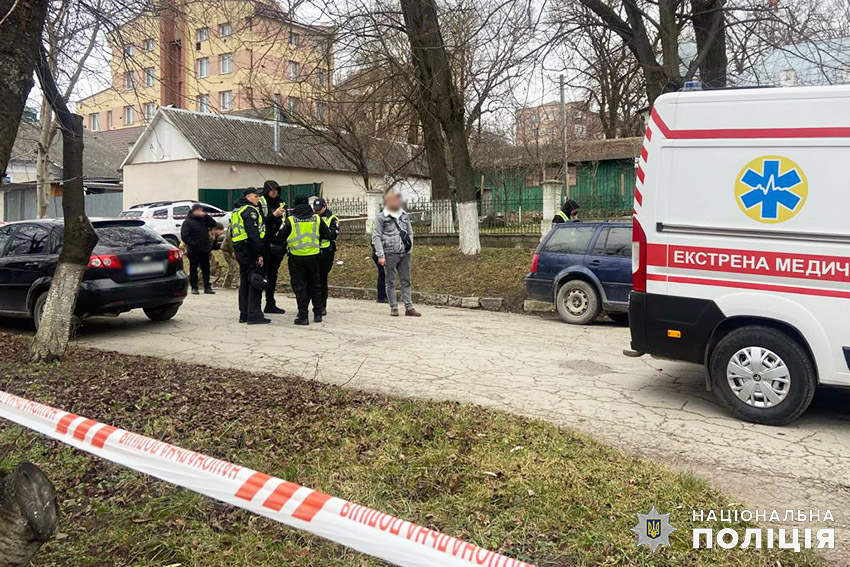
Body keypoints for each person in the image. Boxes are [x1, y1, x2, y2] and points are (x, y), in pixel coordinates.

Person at [280, 195, 332, 325]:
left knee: (300, 287)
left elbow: (279, 238)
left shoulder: (290, 220)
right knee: (315, 285)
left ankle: (303, 316)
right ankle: (318, 313)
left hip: (296, 258)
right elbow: (328, 234)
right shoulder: (316, 219)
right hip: (314, 257)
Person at [371, 189, 421, 317]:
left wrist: (410, 248)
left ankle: (409, 307)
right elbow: (376, 236)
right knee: (390, 281)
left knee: (406, 280)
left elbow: (410, 232)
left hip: (404, 253)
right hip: (389, 253)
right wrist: (381, 255)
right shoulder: (381, 217)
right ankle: (394, 307)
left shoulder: (404, 215)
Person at [231, 188, 270, 325]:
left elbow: (233, 233)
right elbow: (253, 234)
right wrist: (259, 254)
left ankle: (244, 313)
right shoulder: (250, 211)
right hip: (249, 250)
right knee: (255, 281)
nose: (258, 198)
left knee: (245, 282)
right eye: (255, 196)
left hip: (241, 249)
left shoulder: (237, 210)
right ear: (248, 197)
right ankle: (254, 315)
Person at [258, 180, 287, 314]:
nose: (274, 192)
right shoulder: (261, 202)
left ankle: (270, 303)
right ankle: (256, 305)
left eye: (276, 190)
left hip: (277, 243)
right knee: (261, 274)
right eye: (272, 190)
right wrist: (273, 216)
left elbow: (286, 222)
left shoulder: (281, 203)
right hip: (264, 243)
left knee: (273, 275)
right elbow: (260, 222)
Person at [180, 203, 217, 294]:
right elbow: (185, 236)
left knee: (206, 268)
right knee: (193, 268)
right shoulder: (187, 222)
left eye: (202, 211)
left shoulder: (204, 220)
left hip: (204, 248)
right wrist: (193, 244)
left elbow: (213, 224)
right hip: (193, 250)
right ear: (194, 211)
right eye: (200, 210)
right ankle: (194, 287)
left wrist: (206, 216)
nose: (201, 212)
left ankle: (207, 286)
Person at [313, 197, 339, 315]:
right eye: (316, 209)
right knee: (314, 280)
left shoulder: (332, 218)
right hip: (314, 251)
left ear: (325, 207)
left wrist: (323, 233)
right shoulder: (312, 218)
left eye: (319, 209)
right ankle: (315, 305)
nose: (317, 211)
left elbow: (332, 235)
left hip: (326, 252)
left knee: (322, 279)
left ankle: (322, 305)